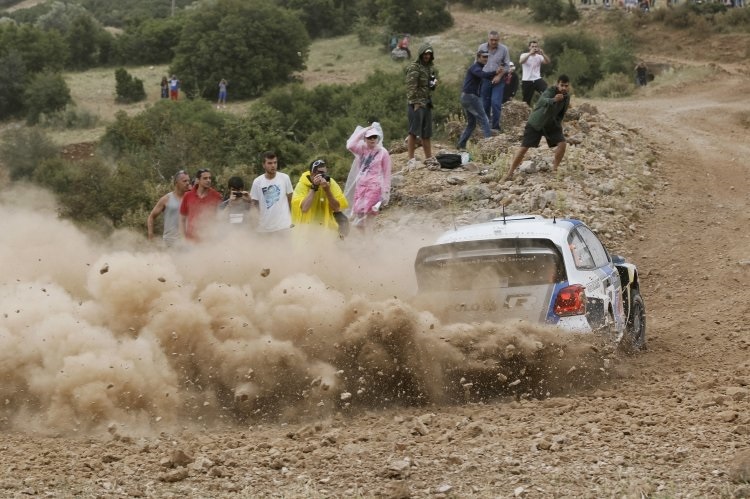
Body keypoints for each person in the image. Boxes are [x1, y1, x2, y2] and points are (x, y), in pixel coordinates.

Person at [502, 75, 571, 181]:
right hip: (536, 122)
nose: (564, 88)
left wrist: (557, 123)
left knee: (562, 144)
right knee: (524, 148)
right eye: (562, 85)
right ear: (557, 84)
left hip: (551, 124)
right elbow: (542, 101)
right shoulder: (550, 91)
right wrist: (553, 100)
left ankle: (555, 169)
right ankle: (510, 173)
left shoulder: (567, 97)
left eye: (566, 86)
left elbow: (561, 113)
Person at [344, 122, 392, 232]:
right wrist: (364, 130)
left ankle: (368, 240)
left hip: (374, 187)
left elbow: (387, 173)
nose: (372, 139)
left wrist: (385, 192)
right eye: (369, 137)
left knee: (369, 214)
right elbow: (350, 145)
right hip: (361, 187)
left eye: (374, 137)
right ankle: (363, 240)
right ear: (365, 138)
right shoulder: (362, 149)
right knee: (359, 213)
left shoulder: (383, 152)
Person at [292, 159, 348, 234]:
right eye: (320, 173)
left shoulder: (330, 183)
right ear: (312, 174)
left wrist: (327, 190)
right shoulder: (302, 185)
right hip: (306, 229)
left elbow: (337, 208)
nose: (323, 176)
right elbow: (304, 208)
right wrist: (314, 187)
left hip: (326, 228)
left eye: (325, 173)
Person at [405, 43, 438, 170]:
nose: (427, 56)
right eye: (425, 54)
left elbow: (430, 86)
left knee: (426, 132)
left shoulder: (429, 68)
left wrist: (433, 84)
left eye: (429, 54)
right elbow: (410, 87)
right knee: (413, 131)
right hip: (417, 104)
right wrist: (415, 102)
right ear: (421, 54)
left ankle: (428, 157)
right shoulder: (415, 68)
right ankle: (411, 159)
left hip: (427, 102)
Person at [457, 49, 494, 150]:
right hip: (471, 97)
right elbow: (482, 75)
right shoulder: (475, 67)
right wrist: (495, 72)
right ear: (478, 57)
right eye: (483, 57)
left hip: (466, 97)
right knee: (484, 119)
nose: (486, 59)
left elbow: (485, 76)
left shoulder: (478, 68)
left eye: (487, 57)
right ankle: (489, 146)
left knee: (472, 124)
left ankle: (461, 144)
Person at [250, 151, 294, 234]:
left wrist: (290, 219)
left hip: (284, 226)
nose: (273, 165)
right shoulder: (257, 182)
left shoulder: (285, 178)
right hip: (265, 228)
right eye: (269, 163)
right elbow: (254, 204)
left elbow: (290, 199)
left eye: (275, 162)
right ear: (264, 165)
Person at [147, 170, 191, 247]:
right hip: (170, 242)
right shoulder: (166, 199)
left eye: (188, 181)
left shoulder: (191, 198)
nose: (187, 183)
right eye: (184, 181)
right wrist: (151, 235)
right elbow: (151, 217)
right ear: (176, 183)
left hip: (186, 242)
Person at [477, 30, 511, 131]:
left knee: (496, 103)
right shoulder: (481, 47)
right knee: (484, 104)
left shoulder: (504, 49)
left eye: (496, 40)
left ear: (498, 40)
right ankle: (486, 126)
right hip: (485, 78)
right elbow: (477, 63)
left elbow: (507, 65)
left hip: (498, 79)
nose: (493, 42)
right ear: (488, 39)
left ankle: (496, 127)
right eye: (492, 40)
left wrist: (499, 76)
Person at [179, 168, 222, 241]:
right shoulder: (188, 195)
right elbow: (182, 219)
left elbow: (220, 219)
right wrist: (183, 239)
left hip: (209, 241)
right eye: (205, 178)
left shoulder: (217, 196)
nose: (208, 180)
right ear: (198, 180)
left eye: (209, 178)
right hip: (191, 241)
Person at [519, 41, 551, 107]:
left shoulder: (539, 56)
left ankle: (545, 106)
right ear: (529, 47)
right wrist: (529, 54)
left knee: (547, 92)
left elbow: (548, 62)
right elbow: (521, 61)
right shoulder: (524, 55)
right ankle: (526, 114)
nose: (534, 48)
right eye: (532, 46)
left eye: (536, 46)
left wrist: (543, 54)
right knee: (526, 101)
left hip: (537, 79)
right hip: (527, 80)